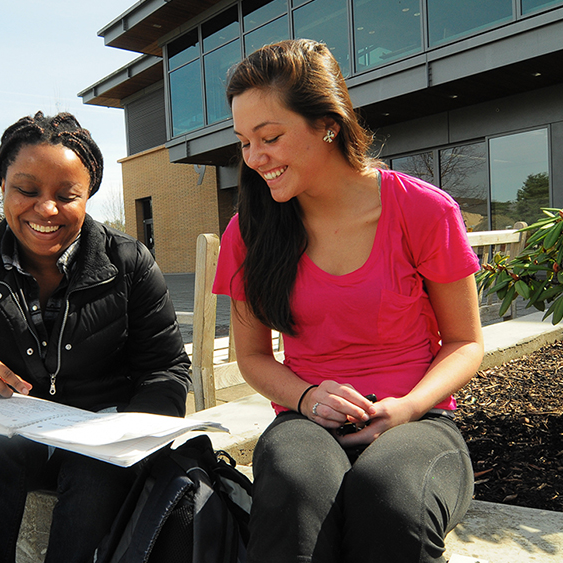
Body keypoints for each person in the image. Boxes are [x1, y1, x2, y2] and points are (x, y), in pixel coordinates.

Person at [214, 40, 484, 563]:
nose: (254, 158)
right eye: (244, 142)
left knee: (389, 498)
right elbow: (251, 356)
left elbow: (465, 341)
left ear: (328, 124)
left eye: (269, 137)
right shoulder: (248, 230)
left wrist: (407, 406)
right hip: (305, 418)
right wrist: (309, 397)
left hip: (419, 420)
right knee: (295, 492)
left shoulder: (424, 211)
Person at [0, 111, 191, 563]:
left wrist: (129, 430)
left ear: (88, 196)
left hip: (99, 431)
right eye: (26, 190)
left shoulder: (130, 262)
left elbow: (168, 370)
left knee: (95, 475)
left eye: (67, 196)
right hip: (12, 435)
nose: (45, 209)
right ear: (2, 184)